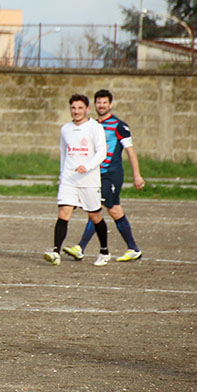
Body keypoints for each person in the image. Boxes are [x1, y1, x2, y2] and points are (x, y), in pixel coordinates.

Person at [63, 89, 145, 262]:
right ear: (94, 105)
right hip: (95, 175)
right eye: (98, 102)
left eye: (104, 102)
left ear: (110, 104)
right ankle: (133, 248)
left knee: (97, 208)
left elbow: (130, 151)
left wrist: (137, 175)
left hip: (111, 173)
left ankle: (81, 247)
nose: (101, 105)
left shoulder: (119, 126)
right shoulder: (92, 125)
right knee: (114, 210)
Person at [45, 94, 111, 266]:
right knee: (63, 213)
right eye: (73, 108)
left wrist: (87, 167)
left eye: (80, 108)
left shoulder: (95, 127)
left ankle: (104, 251)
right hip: (69, 179)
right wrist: (62, 176)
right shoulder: (65, 129)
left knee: (95, 216)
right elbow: (64, 154)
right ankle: (56, 252)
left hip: (89, 180)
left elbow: (101, 153)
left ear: (87, 109)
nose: (76, 111)